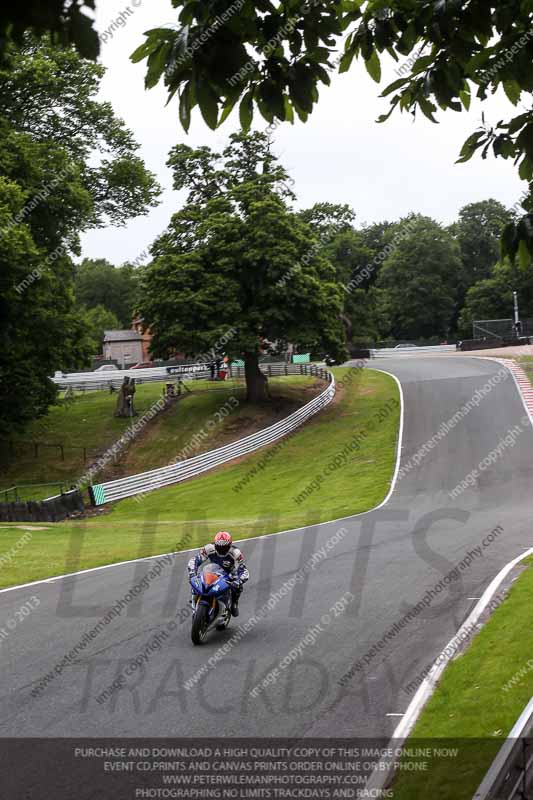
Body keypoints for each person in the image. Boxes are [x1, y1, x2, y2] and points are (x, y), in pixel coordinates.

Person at [187, 531, 249, 622]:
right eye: (219, 546)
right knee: (196, 581)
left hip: (229, 574)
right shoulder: (208, 548)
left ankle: (234, 603)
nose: (221, 549)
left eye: (224, 547)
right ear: (215, 544)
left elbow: (244, 570)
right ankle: (194, 604)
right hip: (212, 571)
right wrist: (192, 573)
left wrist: (238, 581)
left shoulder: (236, 553)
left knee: (238, 587)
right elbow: (194, 560)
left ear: (229, 545)